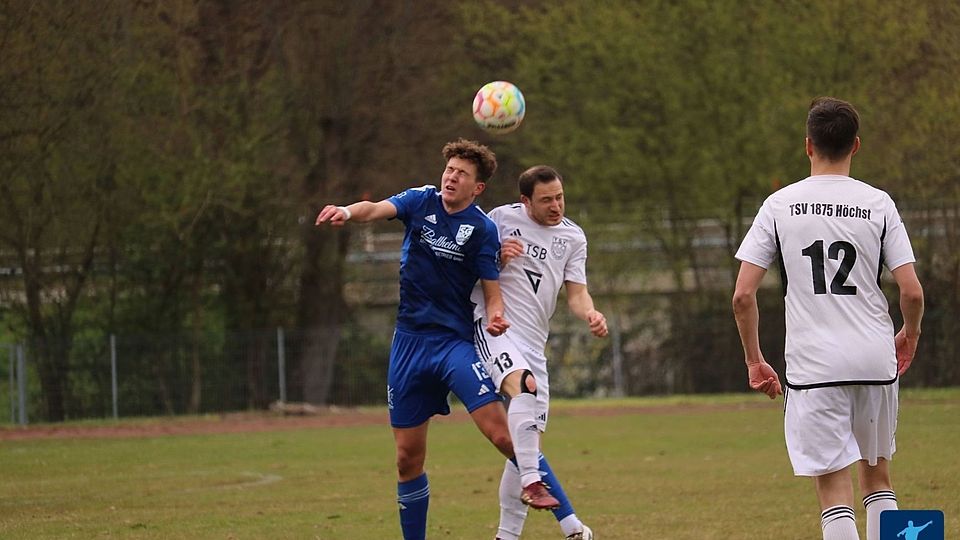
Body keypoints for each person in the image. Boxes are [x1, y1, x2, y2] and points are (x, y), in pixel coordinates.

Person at [732, 97, 924, 540]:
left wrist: (754, 360)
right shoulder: (879, 204)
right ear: (855, 145)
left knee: (834, 492)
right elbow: (912, 291)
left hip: (815, 366)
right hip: (874, 360)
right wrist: (910, 335)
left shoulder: (779, 205)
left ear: (808, 145)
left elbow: (743, 296)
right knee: (878, 480)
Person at [316, 139, 515, 540]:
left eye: (461, 173)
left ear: (477, 187)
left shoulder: (482, 229)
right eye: (449, 169)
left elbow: (493, 293)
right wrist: (347, 211)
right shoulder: (420, 200)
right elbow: (375, 209)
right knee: (407, 459)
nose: (451, 177)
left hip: (453, 344)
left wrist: (497, 317)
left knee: (503, 436)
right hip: (408, 344)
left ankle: (568, 519)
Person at [472, 165, 607, 540]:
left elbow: (577, 293)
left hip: (534, 344)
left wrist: (590, 314)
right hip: (495, 328)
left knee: (526, 444)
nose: (556, 206)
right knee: (524, 397)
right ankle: (567, 521)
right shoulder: (500, 219)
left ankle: (507, 536)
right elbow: (471, 264)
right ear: (525, 201)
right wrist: (497, 256)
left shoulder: (573, 237)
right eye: (546, 200)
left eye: (559, 197)